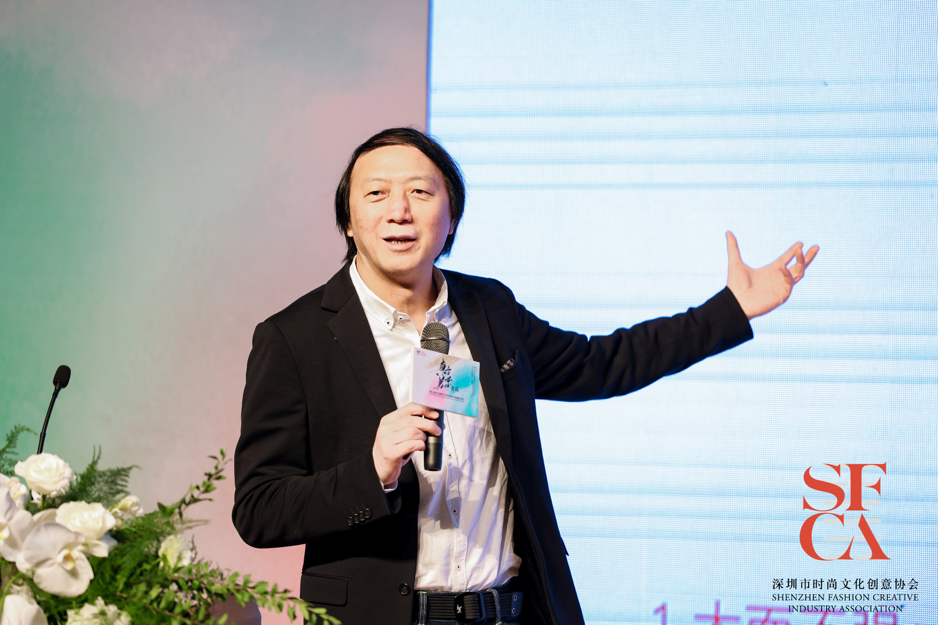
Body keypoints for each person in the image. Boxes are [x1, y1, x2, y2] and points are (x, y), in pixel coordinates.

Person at [232, 128, 818, 625]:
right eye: (377, 193)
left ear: (450, 218)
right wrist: (373, 471)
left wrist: (729, 310)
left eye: (420, 192)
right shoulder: (296, 338)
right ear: (349, 220)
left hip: (508, 611)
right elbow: (259, 509)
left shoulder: (487, 310)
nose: (399, 210)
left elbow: (601, 363)